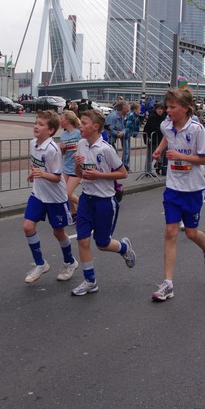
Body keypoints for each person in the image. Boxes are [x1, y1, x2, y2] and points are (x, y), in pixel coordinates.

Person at [150, 87, 205, 302]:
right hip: (173, 187)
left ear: (185, 108)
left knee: (191, 233)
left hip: (193, 188)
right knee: (170, 232)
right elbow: (167, 137)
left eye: (172, 107)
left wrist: (180, 156)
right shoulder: (165, 125)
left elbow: (204, 159)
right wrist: (160, 150)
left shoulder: (197, 130)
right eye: (166, 106)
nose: (167, 110)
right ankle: (168, 284)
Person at [69, 109, 136, 296]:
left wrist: (99, 175)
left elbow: (123, 173)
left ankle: (124, 248)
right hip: (86, 199)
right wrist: (77, 164)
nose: (80, 126)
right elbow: (79, 173)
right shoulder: (81, 144)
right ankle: (90, 281)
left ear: (95, 127)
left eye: (84, 123)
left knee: (102, 243)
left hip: (104, 202)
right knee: (82, 240)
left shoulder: (106, 149)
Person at [21, 110, 78, 284]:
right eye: (36, 123)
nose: (36, 126)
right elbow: (37, 165)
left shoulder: (53, 150)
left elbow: (57, 177)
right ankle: (40, 264)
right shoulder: (32, 143)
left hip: (55, 198)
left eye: (41, 124)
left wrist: (42, 174)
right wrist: (34, 174)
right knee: (28, 227)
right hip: (38, 194)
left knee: (58, 232)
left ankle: (70, 262)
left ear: (51, 130)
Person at [58, 111, 82, 221]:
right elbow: (63, 153)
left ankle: (86, 207)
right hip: (66, 167)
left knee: (67, 193)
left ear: (67, 120)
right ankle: (74, 213)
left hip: (76, 168)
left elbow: (85, 147)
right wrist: (62, 148)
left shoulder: (78, 133)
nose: (60, 120)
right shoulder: (63, 135)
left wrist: (79, 153)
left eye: (61, 118)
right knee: (63, 193)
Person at [143, 102, 167, 176]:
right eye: (158, 109)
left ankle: (158, 165)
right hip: (151, 138)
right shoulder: (152, 117)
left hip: (159, 138)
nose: (160, 111)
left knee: (161, 153)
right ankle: (147, 170)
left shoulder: (163, 116)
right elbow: (154, 128)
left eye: (161, 109)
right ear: (156, 109)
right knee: (150, 155)